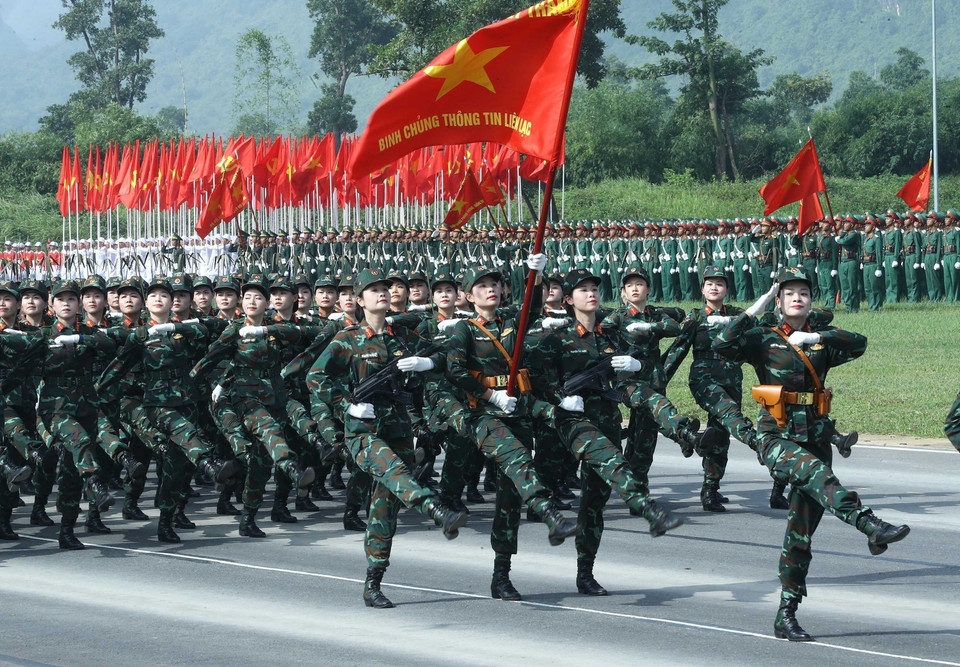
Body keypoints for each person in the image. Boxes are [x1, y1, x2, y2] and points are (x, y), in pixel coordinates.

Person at [714, 267, 910, 641]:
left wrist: (817, 334)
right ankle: (869, 525)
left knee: (800, 533)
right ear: (779, 300)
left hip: (816, 437)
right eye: (789, 294)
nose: (797, 298)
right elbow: (723, 341)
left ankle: (785, 613)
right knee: (820, 477)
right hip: (777, 438)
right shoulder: (763, 338)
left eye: (803, 292)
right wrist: (759, 306)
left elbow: (859, 343)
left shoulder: (817, 341)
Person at [311, 268, 469, 608]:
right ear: (359, 300)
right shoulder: (347, 339)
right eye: (373, 290)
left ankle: (373, 582)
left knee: (385, 509)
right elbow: (315, 377)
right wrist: (346, 407)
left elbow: (444, 355)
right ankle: (435, 508)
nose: (382, 293)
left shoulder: (402, 336)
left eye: (385, 288)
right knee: (397, 473)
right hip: (363, 431)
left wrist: (424, 363)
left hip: (397, 427)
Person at [530, 268, 683, 595]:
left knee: (594, 501)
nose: (591, 294)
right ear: (569, 299)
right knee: (614, 463)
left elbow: (629, 379)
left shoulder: (613, 334)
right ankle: (648, 509)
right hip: (572, 424)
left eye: (594, 288)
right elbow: (537, 381)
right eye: (582, 290)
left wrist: (638, 368)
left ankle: (585, 572)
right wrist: (560, 399)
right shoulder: (556, 337)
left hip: (607, 419)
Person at [190, 274, 318, 538]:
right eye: (247, 296)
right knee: (270, 430)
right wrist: (198, 386)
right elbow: (210, 359)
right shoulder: (234, 329)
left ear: (267, 302)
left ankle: (248, 517)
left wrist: (266, 330)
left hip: (276, 399)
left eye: (258, 297)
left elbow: (307, 333)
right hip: (246, 399)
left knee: (260, 466)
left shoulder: (275, 328)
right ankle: (292, 468)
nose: (251, 301)